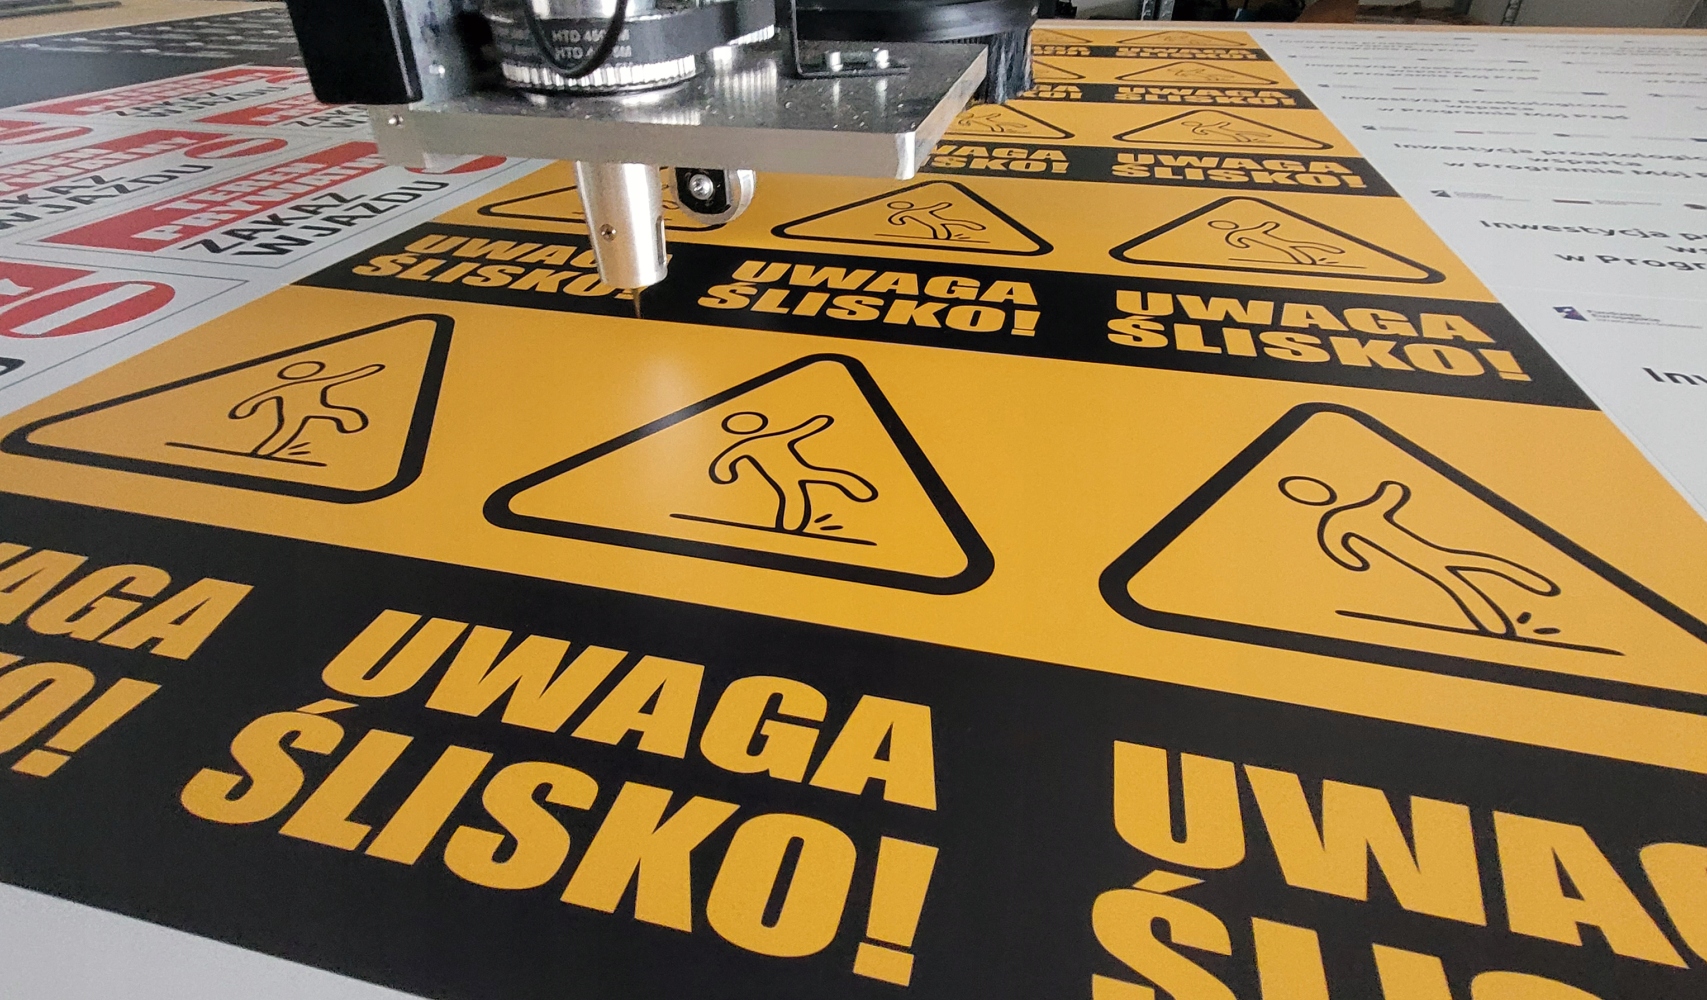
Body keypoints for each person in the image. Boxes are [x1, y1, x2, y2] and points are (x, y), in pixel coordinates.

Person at [1280, 476, 1559, 637]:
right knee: (1472, 574)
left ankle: (1527, 599)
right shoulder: (1346, 518)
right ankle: (1516, 608)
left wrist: (1358, 561)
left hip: (1428, 558)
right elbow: (1391, 493)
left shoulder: (1342, 520)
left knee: (1467, 579)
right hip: (1430, 558)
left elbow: (1345, 551)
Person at [709, 411, 877, 533]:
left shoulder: (751, 445)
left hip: (790, 473)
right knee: (810, 485)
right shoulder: (755, 444)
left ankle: (791, 528)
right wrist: (818, 423)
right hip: (789, 474)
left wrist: (726, 473)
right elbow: (802, 430)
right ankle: (791, 528)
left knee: (796, 492)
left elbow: (728, 461)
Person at [230, 359, 384, 458]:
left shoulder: (309, 383)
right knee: (286, 431)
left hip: (313, 408)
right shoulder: (288, 387)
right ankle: (263, 453)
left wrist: (368, 370)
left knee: (338, 414)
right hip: (294, 414)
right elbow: (260, 398)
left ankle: (263, 453)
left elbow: (344, 377)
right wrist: (246, 408)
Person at [885, 200, 987, 242]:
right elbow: (898, 217)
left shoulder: (911, 212)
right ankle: (943, 239)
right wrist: (943, 205)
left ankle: (943, 239)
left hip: (934, 221)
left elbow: (898, 217)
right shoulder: (910, 212)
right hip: (934, 221)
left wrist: (898, 221)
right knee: (945, 225)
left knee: (944, 225)